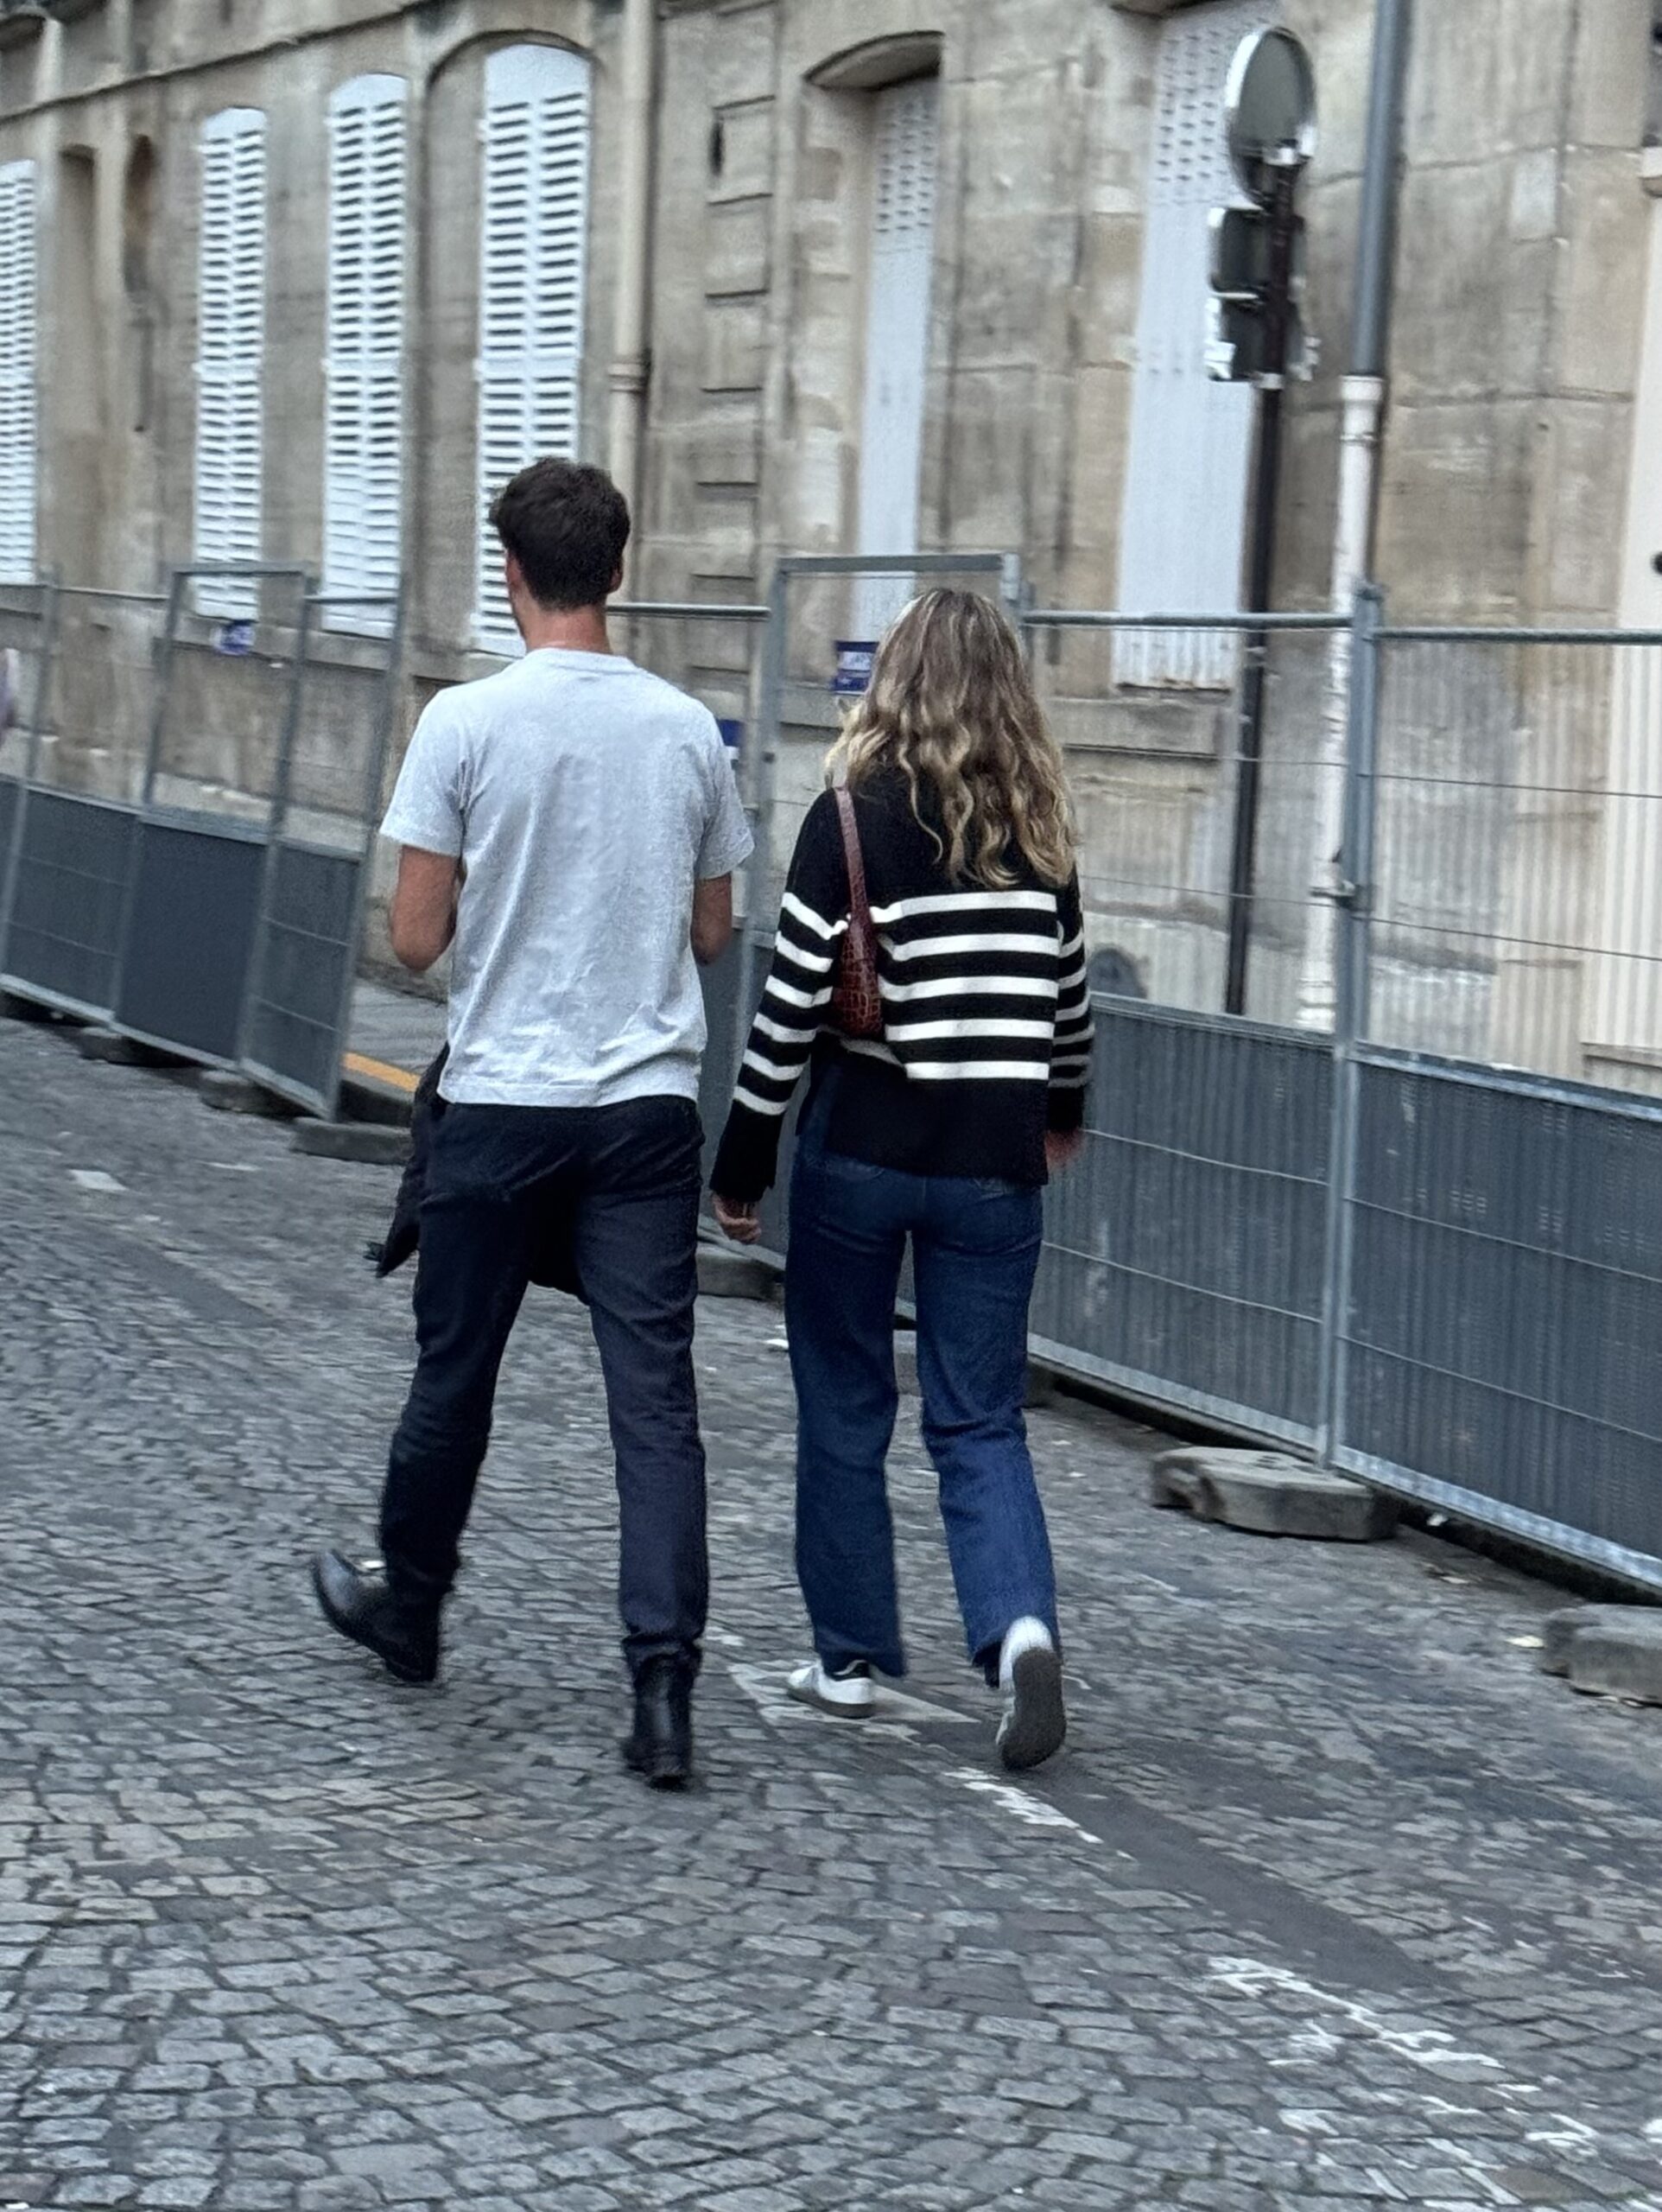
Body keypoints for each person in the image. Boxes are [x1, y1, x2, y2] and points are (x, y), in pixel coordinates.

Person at [313, 458, 752, 1791]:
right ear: (618, 571)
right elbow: (717, 928)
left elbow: (412, 934)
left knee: (457, 1371)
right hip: (642, 1109)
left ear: (510, 573)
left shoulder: (463, 723)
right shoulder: (687, 731)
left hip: (504, 1098)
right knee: (654, 1400)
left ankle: (414, 1606)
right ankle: (662, 1685)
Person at [710, 589, 1093, 1772]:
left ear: (896, 684)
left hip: (861, 1153)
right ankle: (1020, 1632)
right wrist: (1061, 1118)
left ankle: (849, 1654)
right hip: (992, 1165)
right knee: (980, 1418)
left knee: (844, 1400)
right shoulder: (1042, 835)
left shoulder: (850, 820)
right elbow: (1069, 1007)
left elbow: (783, 1018)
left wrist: (743, 1161)